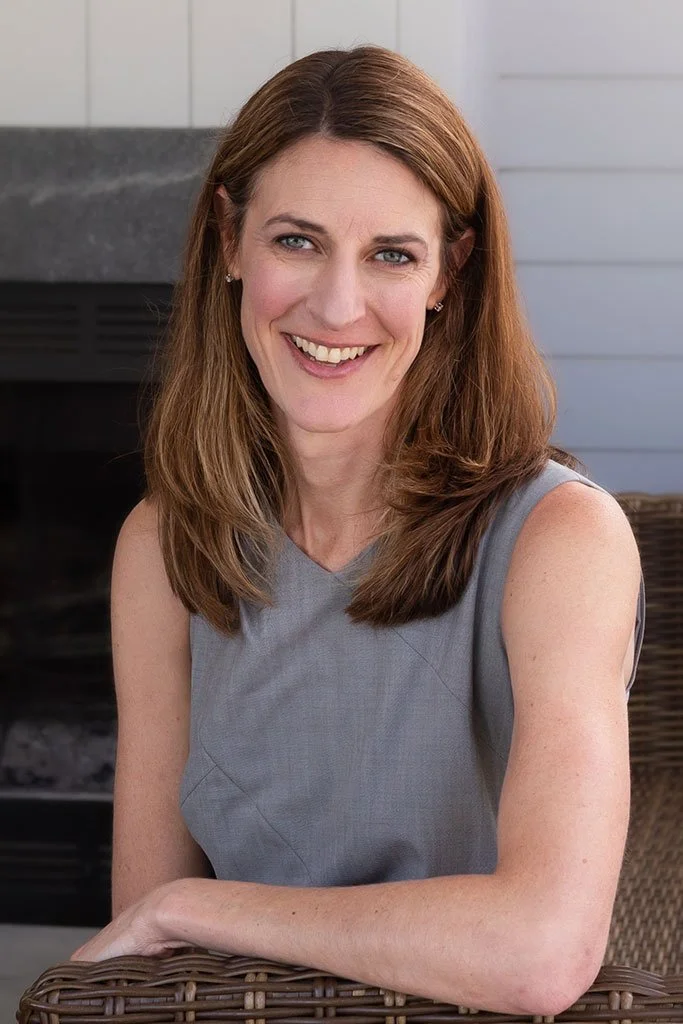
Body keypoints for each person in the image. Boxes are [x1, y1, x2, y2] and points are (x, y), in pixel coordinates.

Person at [70, 46, 645, 1017]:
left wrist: (194, 908)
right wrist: (171, 914)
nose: (337, 306)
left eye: (391, 254)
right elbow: (148, 962)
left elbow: (541, 953)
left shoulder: (560, 542)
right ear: (228, 241)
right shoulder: (163, 548)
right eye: (296, 241)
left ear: (448, 274)